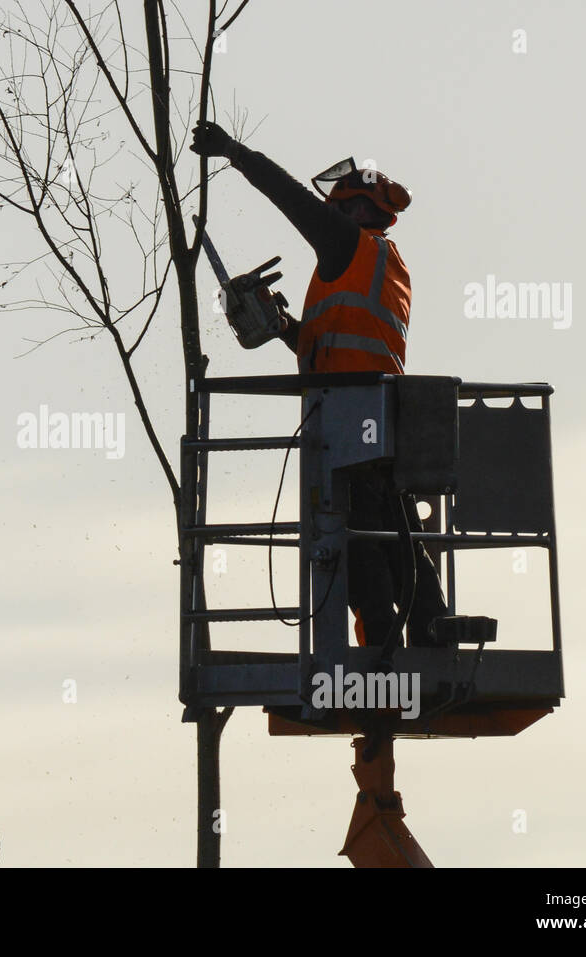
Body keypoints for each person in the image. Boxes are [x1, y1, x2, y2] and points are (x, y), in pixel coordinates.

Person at [190, 121, 450, 649]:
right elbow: (335, 347)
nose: (327, 211)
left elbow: (289, 198)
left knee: (359, 547)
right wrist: (284, 326)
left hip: (349, 425)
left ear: (356, 209)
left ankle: (382, 651)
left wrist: (233, 152)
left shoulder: (350, 247)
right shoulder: (376, 264)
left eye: (336, 205)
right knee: (394, 538)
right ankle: (434, 635)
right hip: (372, 420)